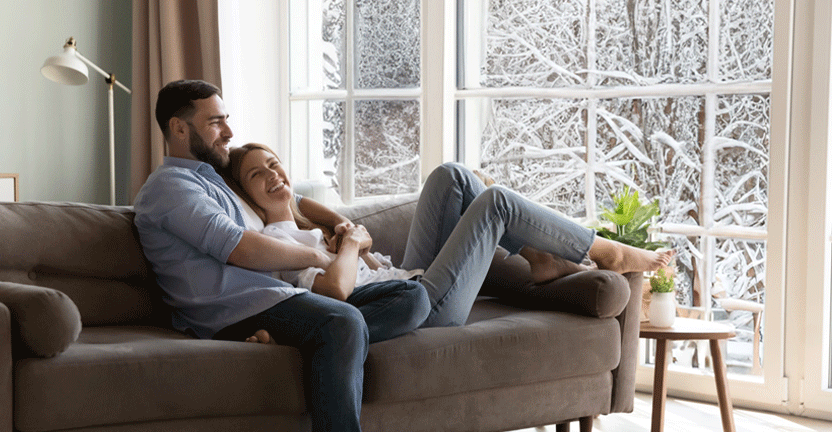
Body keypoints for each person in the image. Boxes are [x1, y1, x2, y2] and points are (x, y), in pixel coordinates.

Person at [132, 80, 409, 432]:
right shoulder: (169, 188)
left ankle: (303, 348)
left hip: (271, 302)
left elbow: (293, 199)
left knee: (400, 299)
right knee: (342, 323)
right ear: (178, 129)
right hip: (231, 310)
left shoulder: (216, 181)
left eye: (225, 119)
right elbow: (238, 248)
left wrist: (340, 222)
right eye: (215, 122)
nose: (227, 130)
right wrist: (322, 256)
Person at [223, 143, 674, 328]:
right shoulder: (275, 242)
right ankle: (606, 251)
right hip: (420, 306)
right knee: (497, 203)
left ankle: (541, 256)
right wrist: (354, 244)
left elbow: (313, 214)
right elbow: (335, 291)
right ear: (244, 193)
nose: (271, 175)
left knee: (451, 176)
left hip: (408, 276)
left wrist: (339, 227)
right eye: (255, 174)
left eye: (274, 164)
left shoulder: (306, 222)